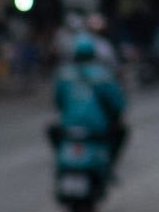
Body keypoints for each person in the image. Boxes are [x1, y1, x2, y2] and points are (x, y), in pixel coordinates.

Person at [53, 31, 127, 169]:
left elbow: (58, 102)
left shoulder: (64, 75)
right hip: (97, 127)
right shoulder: (103, 75)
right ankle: (109, 167)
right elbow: (118, 104)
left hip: (68, 126)